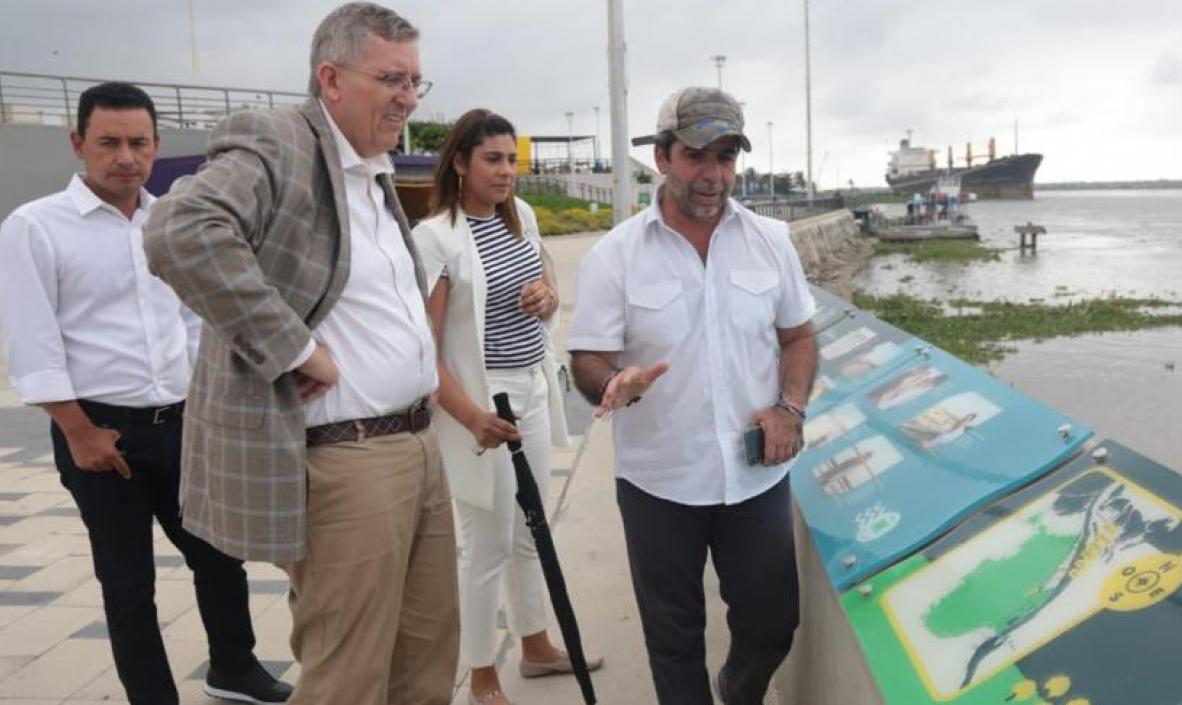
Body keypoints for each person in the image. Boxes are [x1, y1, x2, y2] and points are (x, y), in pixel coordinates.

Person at [143, 4, 457, 704]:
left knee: (427, 662)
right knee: (349, 677)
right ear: (331, 78)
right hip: (348, 461)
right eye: (392, 78)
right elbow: (183, 230)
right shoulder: (281, 138)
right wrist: (292, 347)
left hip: (417, 445)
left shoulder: (372, 170)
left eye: (417, 82)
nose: (408, 97)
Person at [0, 82, 291, 705]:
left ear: (157, 146)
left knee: (219, 556)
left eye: (138, 142)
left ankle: (233, 668)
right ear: (79, 143)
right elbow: (33, 340)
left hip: (186, 423)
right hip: (103, 430)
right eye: (109, 143)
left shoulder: (171, 221)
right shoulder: (35, 227)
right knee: (128, 582)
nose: (125, 157)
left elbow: (194, 320)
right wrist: (78, 432)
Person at [567, 87, 819, 705]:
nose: (712, 175)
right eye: (696, 156)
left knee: (771, 625)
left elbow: (799, 336)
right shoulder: (615, 256)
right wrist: (612, 384)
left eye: (726, 157)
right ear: (661, 157)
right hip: (658, 483)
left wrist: (790, 406)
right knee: (673, 642)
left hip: (754, 478)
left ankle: (736, 690)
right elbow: (586, 360)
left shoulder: (770, 241)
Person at [411, 109, 603, 705]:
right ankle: (482, 675)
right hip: (477, 400)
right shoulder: (436, 236)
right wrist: (471, 417)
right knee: (487, 542)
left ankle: (537, 645)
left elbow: (544, 294)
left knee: (530, 531)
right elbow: (425, 350)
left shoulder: (523, 216)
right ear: (461, 163)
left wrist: (547, 297)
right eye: (492, 160)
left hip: (531, 390)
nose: (506, 172)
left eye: (511, 160)